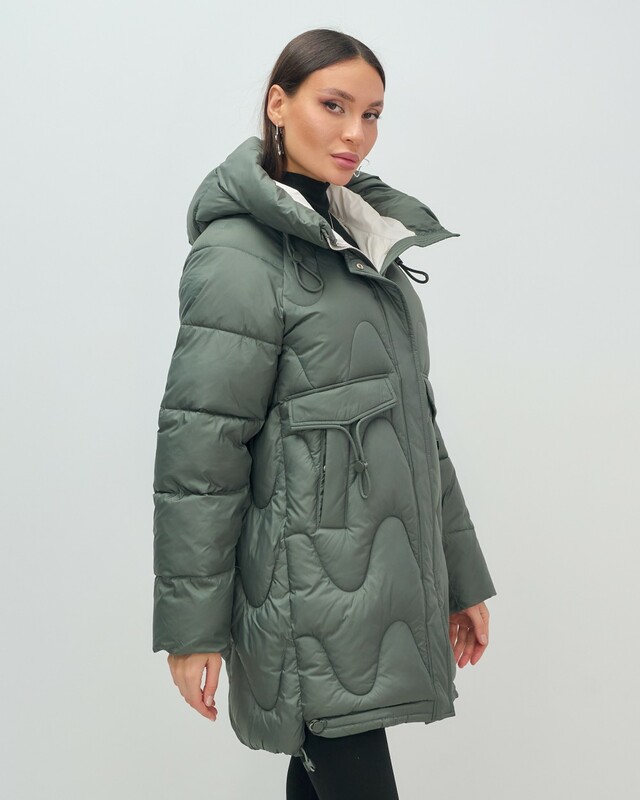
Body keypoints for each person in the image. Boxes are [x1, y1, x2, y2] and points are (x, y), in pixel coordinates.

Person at [151, 28, 497, 800]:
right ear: (279, 104)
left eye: (372, 114)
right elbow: (201, 453)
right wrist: (191, 630)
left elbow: (416, 429)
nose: (355, 133)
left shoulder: (363, 241)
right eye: (333, 106)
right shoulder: (238, 254)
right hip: (302, 594)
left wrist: (458, 577)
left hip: (374, 581)